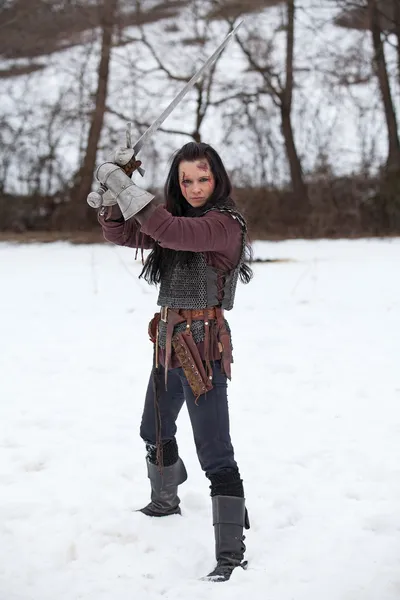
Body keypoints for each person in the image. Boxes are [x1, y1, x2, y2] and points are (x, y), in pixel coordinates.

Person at [97, 142, 253, 582]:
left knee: (215, 453)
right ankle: (165, 501)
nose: (196, 187)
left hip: (203, 349)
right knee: (154, 429)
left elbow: (166, 232)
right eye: (187, 180)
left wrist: (122, 184)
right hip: (168, 340)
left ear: (217, 178)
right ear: (177, 182)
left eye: (203, 178)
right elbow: (122, 233)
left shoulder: (224, 224)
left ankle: (230, 554)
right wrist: (111, 199)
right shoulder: (175, 219)